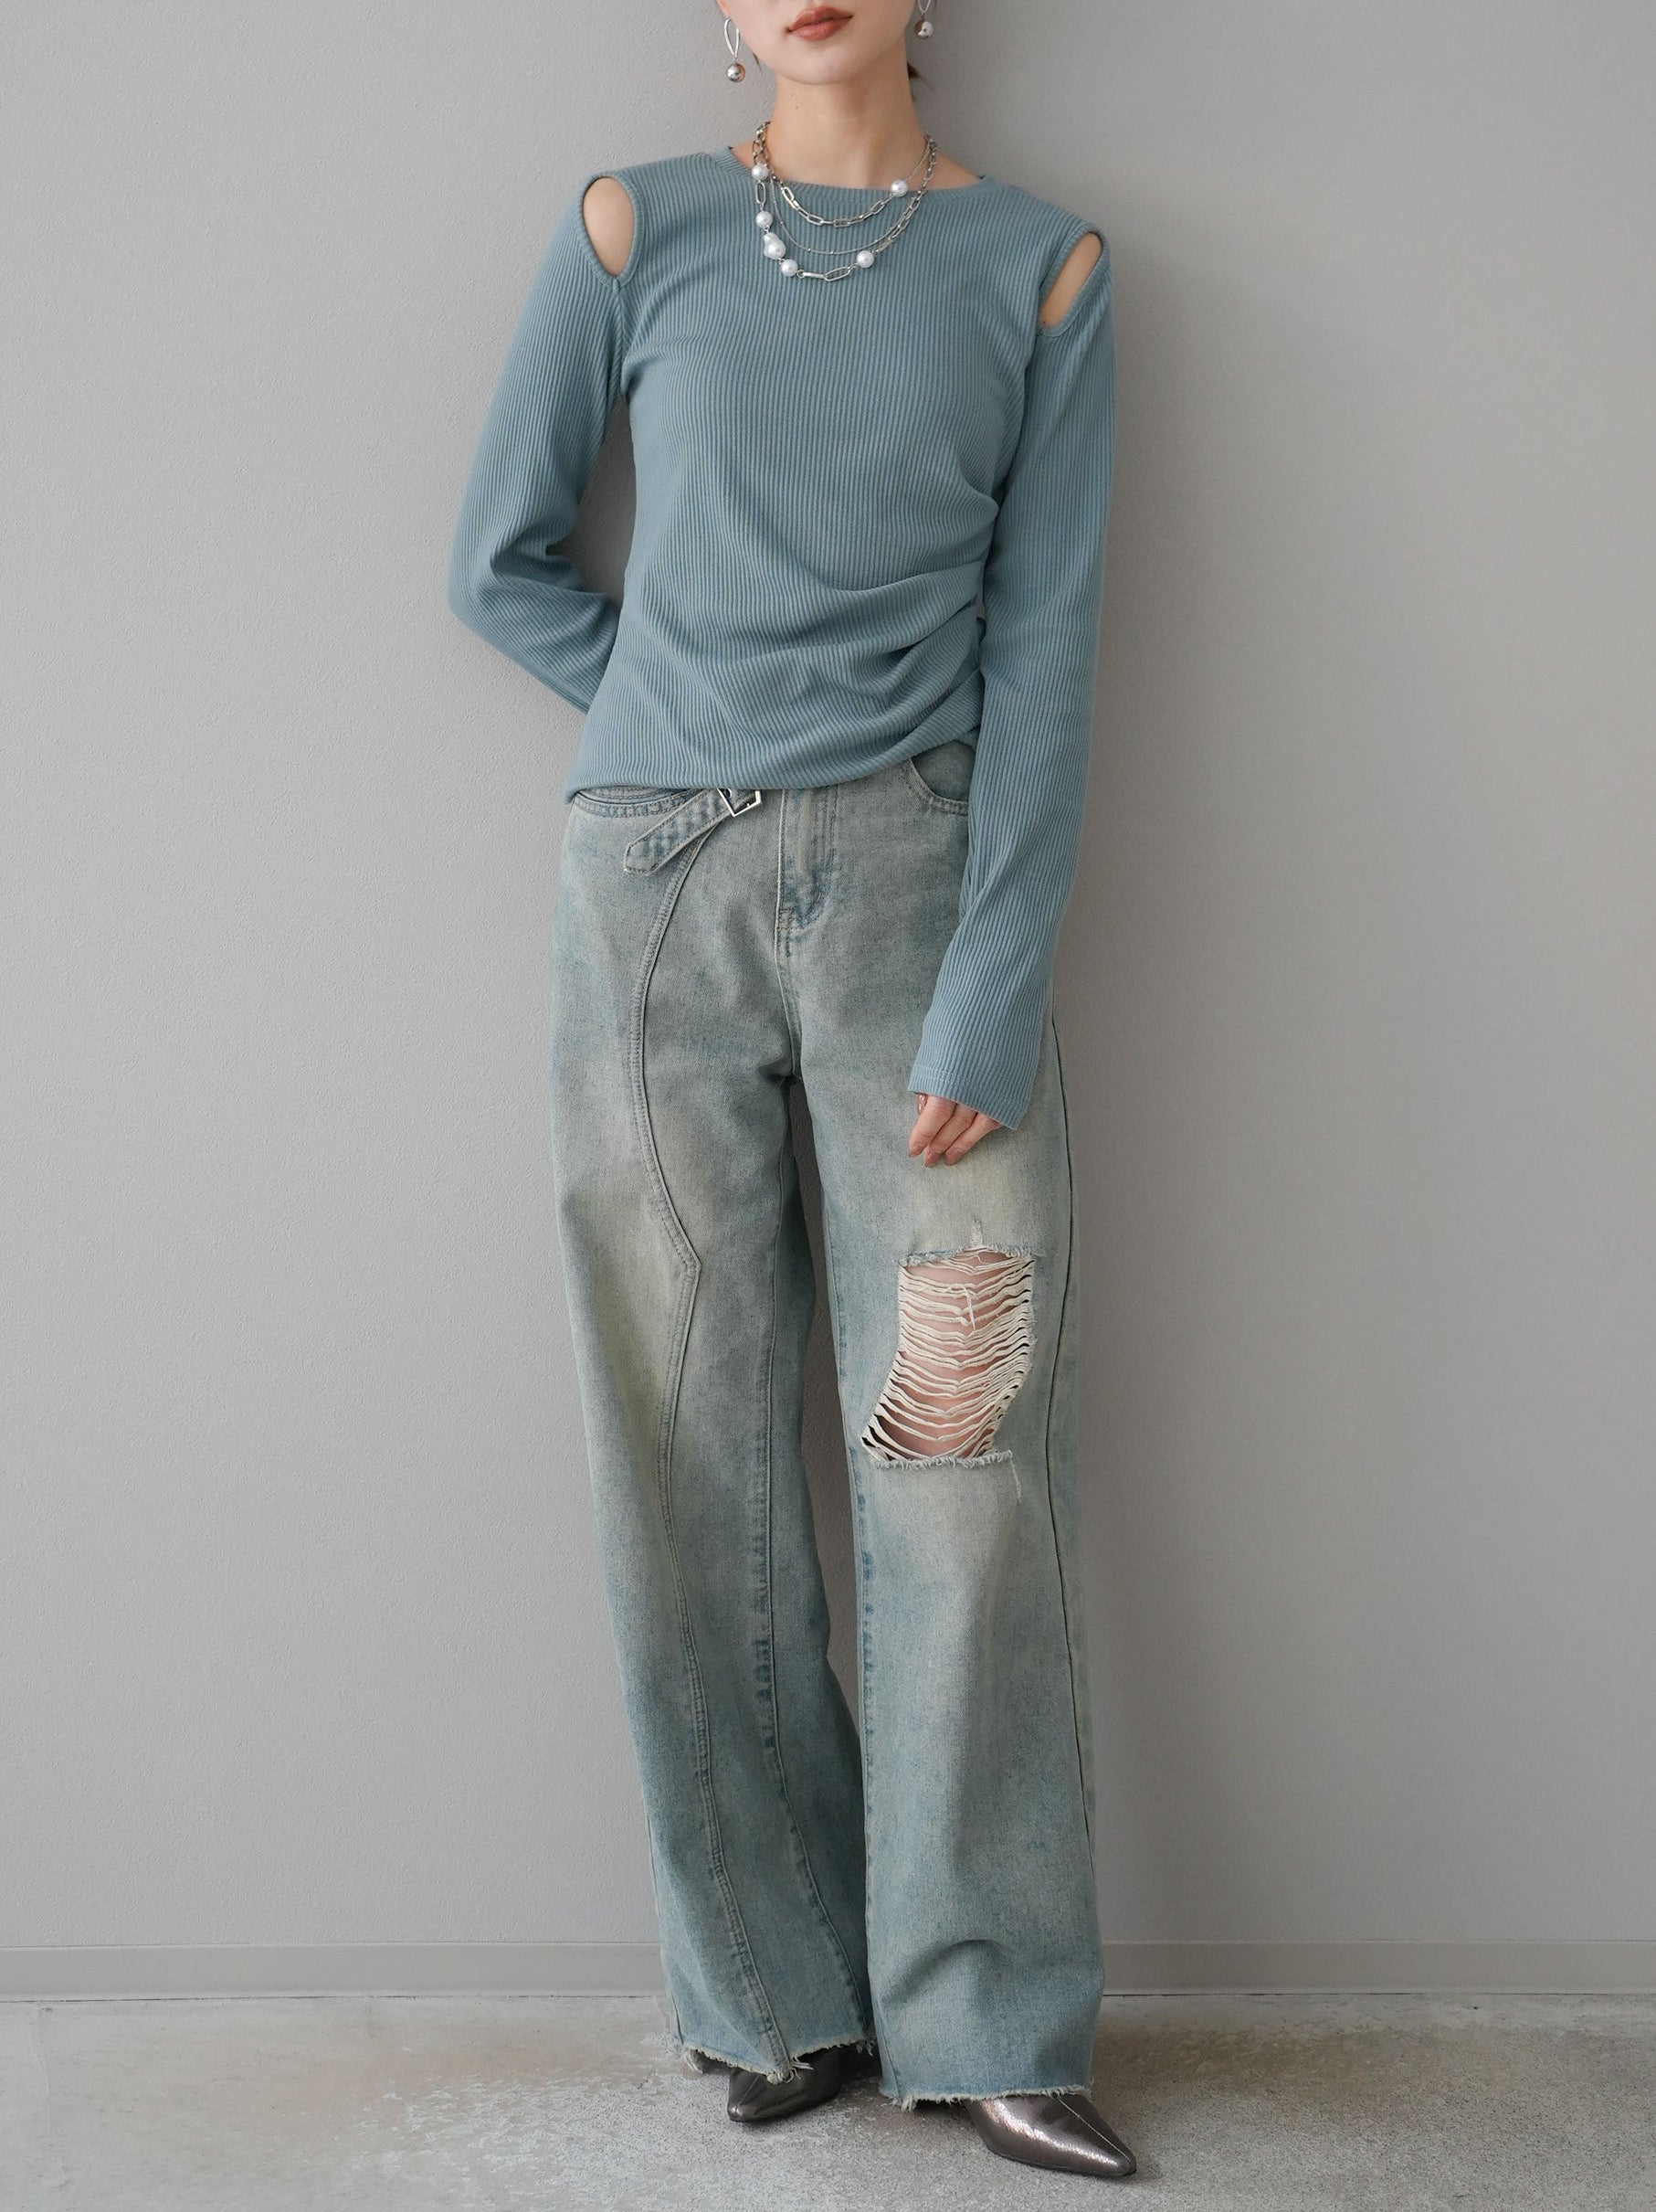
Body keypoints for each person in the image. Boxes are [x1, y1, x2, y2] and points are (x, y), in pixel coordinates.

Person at [447, 0, 1132, 2182]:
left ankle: (993, 2013)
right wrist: (678, 720)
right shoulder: (628, 228)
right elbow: (494, 559)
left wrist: (990, 995)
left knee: (959, 1444)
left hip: (924, 905)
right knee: (688, 1452)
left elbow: (1047, 649)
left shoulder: (1043, 267)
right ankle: (773, 1993)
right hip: (649, 906)